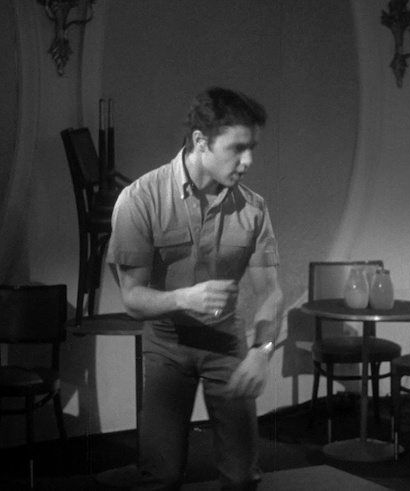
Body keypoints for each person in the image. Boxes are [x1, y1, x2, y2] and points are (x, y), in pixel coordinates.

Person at [107, 86, 283, 490]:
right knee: (162, 474)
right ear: (201, 141)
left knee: (242, 476)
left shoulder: (253, 208)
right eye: (238, 148)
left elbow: (270, 293)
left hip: (226, 340)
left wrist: (262, 350)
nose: (248, 161)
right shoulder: (140, 199)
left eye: (252, 148)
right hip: (167, 343)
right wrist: (183, 298)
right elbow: (132, 299)